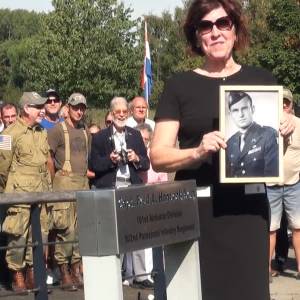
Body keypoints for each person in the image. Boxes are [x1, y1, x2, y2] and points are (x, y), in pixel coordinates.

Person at [150, 1, 294, 299]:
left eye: (223, 23)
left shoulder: (262, 81)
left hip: (248, 216)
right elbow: (158, 156)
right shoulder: (180, 85)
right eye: (206, 25)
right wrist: (196, 152)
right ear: (196, 35)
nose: (215, 32)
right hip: (196, 216)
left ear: (235, 28)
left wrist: (286, 132)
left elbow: (272, 159)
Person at [89, 97, 150, 287]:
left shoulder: (135, 135)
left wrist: (135, 157)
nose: (121, 115)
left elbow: (146, 163)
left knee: (137, 230)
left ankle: (141, 275)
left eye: (124, 112)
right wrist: (110, 160)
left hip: (131, 187)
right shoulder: (100, 137)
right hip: (110, 187)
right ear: (112, 113)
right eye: (118, 112)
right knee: (114, 233)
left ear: (129, 113)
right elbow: (94, 165)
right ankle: (116, 273)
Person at [0, 92, 50, 292]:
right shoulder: (7, 135)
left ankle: (32, 271)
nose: (42, 110)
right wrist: (12, 188)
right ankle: (16, 273)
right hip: (19, 192)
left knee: (38, 235)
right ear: (27, 108)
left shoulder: (41, 132)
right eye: (38, 107)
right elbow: (2, 169)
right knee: (18, 236)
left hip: (40, 191)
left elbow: (44, 163)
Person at [47, 92, 90, 291]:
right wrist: (55, 178)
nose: (79, 111)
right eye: (75, 107)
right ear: (68, 108)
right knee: (65, 229)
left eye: (82, 108)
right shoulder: (57, 130)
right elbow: (49, 158)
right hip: (63, 182)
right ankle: (63, 270)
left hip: (82, 183)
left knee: (81, 229)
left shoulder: (85, 131)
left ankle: (76, 269)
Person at [267, 88, 300, 279]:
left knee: (298, 227)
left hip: (294, 184)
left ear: (291, 105)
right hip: (270, 185)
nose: (283, 105)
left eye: (286, 102)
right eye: (280, 102)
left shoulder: (299, 124)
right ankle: (266, 270)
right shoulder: (265, 124)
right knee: (270, 229)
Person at [226, 91, 279, 177]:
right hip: (236, 190)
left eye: (244, 108)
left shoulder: (268, 135)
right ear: (231, 114)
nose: (241, 115)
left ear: (252, 109)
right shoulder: (229, 143)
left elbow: (272, 175)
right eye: (235, 110)